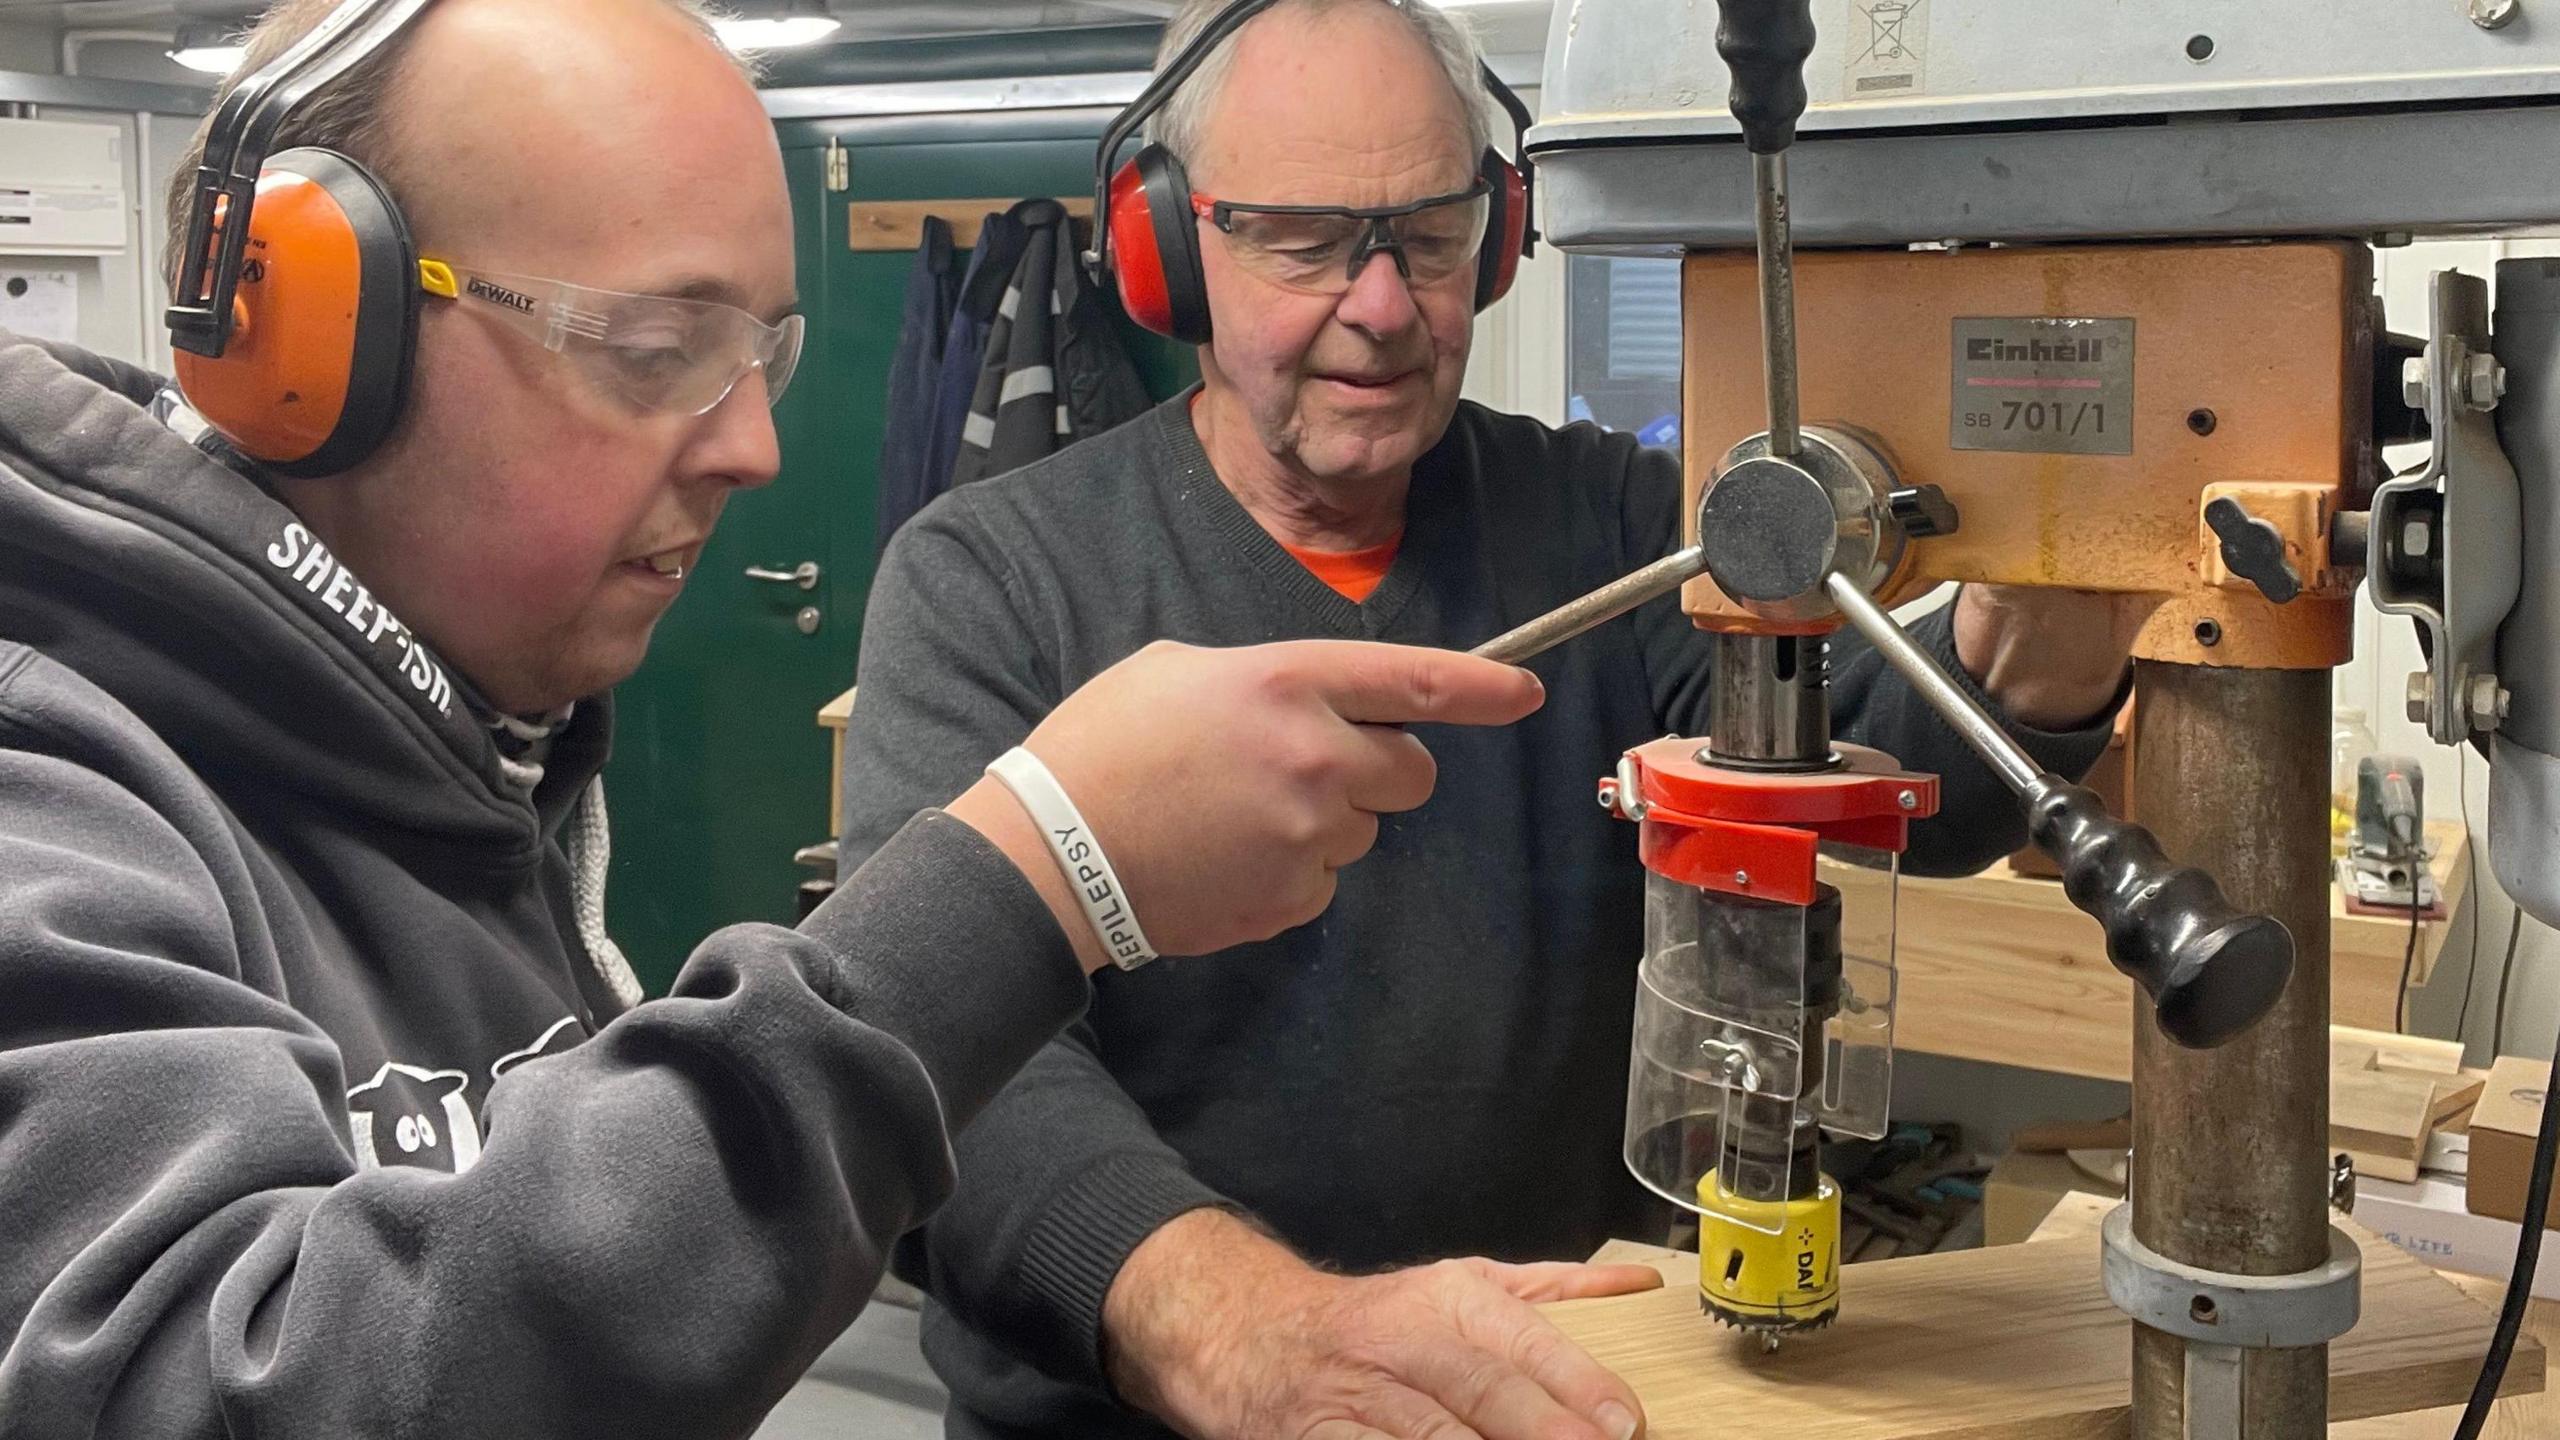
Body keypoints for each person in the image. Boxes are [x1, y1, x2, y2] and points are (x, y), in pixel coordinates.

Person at [0, 0, 1569, 1433]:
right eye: (658, 347)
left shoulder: (481, 769)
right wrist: (1031, 878)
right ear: (312, 340)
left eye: (763, 352)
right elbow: (215, 1392)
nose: (754, 444)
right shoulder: (54, 788)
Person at [837, 1, 2157, 1437]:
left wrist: (2043, 615)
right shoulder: (992, 581)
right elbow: (947, 1064)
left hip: (1548, 1394)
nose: (1387, 304)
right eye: (1303, 238)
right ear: (1165, 248)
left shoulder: (1616, 524)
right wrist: (1246, 1333)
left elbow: (1904, 780)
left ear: (1505, 229)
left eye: (1431, 230)